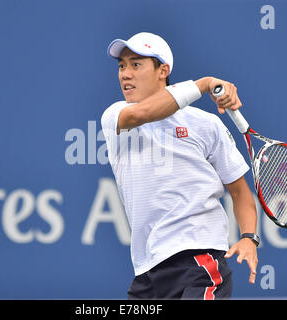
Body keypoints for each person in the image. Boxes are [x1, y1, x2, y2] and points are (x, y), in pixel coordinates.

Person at [101, 32, 259, 300]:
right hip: (147, 272)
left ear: (163, 70)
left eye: (136, 64)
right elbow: (144, 113)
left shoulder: (206, 125)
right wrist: (206, 83)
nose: (125, 74)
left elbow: (239, 192)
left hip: (199, 261)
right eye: (121, 66)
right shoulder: (115, 117)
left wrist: (249, 237)